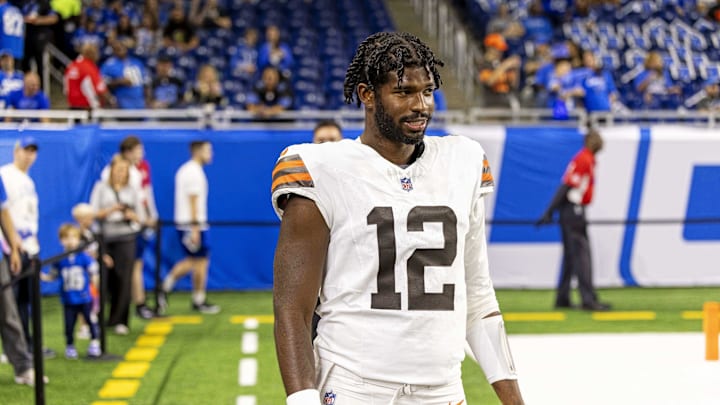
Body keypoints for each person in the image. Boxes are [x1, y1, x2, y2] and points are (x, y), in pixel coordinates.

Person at [271, 32, 523, 405]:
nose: (420, 105)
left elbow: (478, 298)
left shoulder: (463, 160)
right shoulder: (319, 168)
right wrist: (302, 399)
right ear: (367, 95)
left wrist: (514, 399)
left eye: (427, 91)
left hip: (443, 389)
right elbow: (292, 307)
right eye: (404, 92)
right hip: (355, 386)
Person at [537, 130, 611, 312]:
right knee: (582, 255)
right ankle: (587, 299)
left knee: (571, 256)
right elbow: (566, 186)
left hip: (572, 210)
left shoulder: (587, 159)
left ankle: (563, 297)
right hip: (573, 211)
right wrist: (549, 211)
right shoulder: (584, 159)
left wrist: (551, 211)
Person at [0, 136, 49, 357]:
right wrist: (11, 243)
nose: (29, 155)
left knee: (24, 301)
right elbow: (5, 212)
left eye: (33, 151)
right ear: (16, 150)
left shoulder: (27, 180)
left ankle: (28, 345)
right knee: (11, 303)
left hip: (28, 244)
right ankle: (20, 349)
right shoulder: (6, 175)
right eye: (25, 150)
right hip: (13, 245)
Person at [157, 140, 219, 315]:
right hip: (192, 224)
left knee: (200, 261)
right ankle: (165, 287)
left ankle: (198, 298)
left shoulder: (191, 170)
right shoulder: (192, 172)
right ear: (198, 151)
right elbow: (193, 201)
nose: (211, 154)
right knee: (195, 261)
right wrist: (195, 228)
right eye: (208, 150)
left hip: (193, 224)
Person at [100, 136, 158, 320]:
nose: (142, 154)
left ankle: (135, 305)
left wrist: (148, 217)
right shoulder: (109, 175)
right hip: (112, 230)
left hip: (132, 226)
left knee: (134, 265)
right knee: (118, 272)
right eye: (138, 150)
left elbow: (144, 196)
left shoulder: (140, 169)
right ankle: (128, 306)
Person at [90, 155, 144, 335]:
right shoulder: (101, 188)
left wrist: (131, 215)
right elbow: (93, 213)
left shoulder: (132, 190)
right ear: (111, 170)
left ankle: (120, 320)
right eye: (118, 169)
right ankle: (97, 318)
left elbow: (141, 216)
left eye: (124, 170)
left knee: (124, 278)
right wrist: (110, 210)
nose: (121, 173)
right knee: (104, 279)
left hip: (126, 237)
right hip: (105, 236)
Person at [41, 224, 101, 359]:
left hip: (84, 297)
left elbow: (94, 272)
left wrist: (94, 287)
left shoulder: (83, 257)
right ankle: (70, 345)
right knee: (69, 324)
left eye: (74, 237)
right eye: (66, 238)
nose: (70, 241)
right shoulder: (60, 259)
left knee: (90, 321)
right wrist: (42, 276)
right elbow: (53, 275)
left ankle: (95, 343)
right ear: (61, 240)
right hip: (68, 298)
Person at [100, 40, 149, 109]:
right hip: (121, 103)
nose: (121, 50)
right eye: (117, 48)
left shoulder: (137, 62)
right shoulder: (109, 64)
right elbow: (101, 83)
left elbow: (146, 82)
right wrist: (119, 81)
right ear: (114, 50)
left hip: (140, 103)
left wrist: (148, 99)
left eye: (122, 47)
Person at [64, 43, 110, 110]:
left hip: (73, 107)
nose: (98, 56)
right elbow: (101, 90)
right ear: (90, 54)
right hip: (88, 109)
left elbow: (66, 89)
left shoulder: (71, 65)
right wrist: (112, 101)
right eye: (96, 53)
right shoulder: (89, 68)